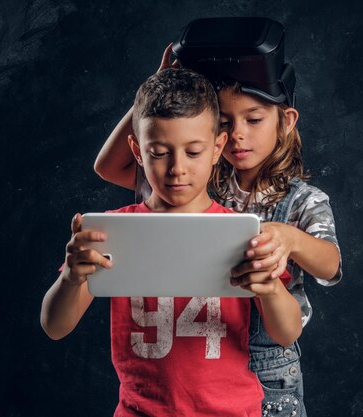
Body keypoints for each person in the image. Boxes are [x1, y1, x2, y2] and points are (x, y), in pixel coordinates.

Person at [94, 38, 342, 416]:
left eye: (254, 120)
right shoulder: (201, 178)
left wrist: (289, 238)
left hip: (270, 366)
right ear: (215, 135)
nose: (239, 134)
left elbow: (331, 266)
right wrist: (156, 90)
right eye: (226, 122)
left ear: (286, 122)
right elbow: (110, 167)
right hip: (208, 357)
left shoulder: (302, 200)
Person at [41, 68, 303, 417]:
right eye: (160, 152)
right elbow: (55, 327)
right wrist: (71, 278)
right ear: (137, 150)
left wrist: (270, 288)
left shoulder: (240, 232)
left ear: (217, 148)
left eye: (193, 152)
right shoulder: (116, 231)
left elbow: (286, 333)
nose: (177, 168)